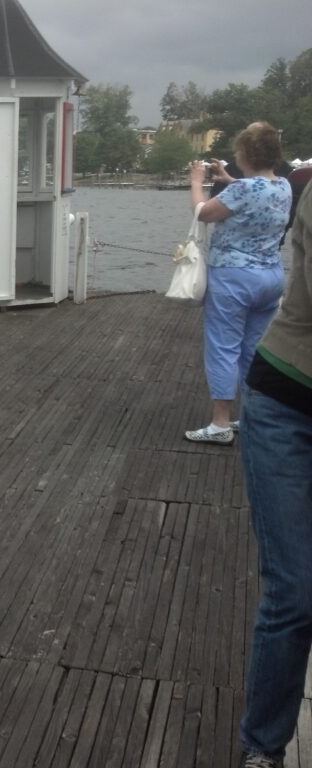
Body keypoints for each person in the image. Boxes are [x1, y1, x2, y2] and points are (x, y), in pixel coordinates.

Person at [237, 182, 312, 768]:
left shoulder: (246, 186)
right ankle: (264, 748)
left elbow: (206, 212)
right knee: (296, 590)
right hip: (287, 400)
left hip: (245, 282)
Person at [184, 122, 292, 445]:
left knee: (223, 348)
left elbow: (203, 213)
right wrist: (228, 180)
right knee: (253, 349)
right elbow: (255, 192)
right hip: (271, 277)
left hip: (234, 279)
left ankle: (220, 424)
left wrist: (196, 183)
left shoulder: (241, 191)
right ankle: (251, 418)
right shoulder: (283, 186)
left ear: (245, 154)